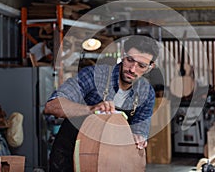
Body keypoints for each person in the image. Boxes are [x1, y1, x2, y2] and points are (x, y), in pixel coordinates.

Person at [44, 35, 160, 172]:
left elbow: (139, 132)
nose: (133, 69)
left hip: (108, 163)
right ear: (123, 55)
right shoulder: (94, 76)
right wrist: (91, 109)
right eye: (130, 60)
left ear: (150, 67)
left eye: (141, 65)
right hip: (68, 159)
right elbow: (52, 106)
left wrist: (138, 139)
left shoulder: (146, 94)